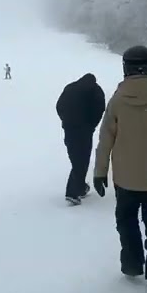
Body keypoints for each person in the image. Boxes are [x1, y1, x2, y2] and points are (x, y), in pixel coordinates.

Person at [93, 45, 147, 293]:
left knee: (126, 222)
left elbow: (106, 139)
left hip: (125, 180)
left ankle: (131, 261)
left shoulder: (117, 102)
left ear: (126, 69)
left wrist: (100, 171)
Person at [55, 73, 106, 205]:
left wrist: (66, 121)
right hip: (84, 131)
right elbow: (100, 110)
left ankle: (80, 187)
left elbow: (59, 106)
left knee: (77, 159)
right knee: (81, 160)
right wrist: (90, 126)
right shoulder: (96, 92)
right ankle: (72, 192)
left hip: (70, 130)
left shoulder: (71, 88)